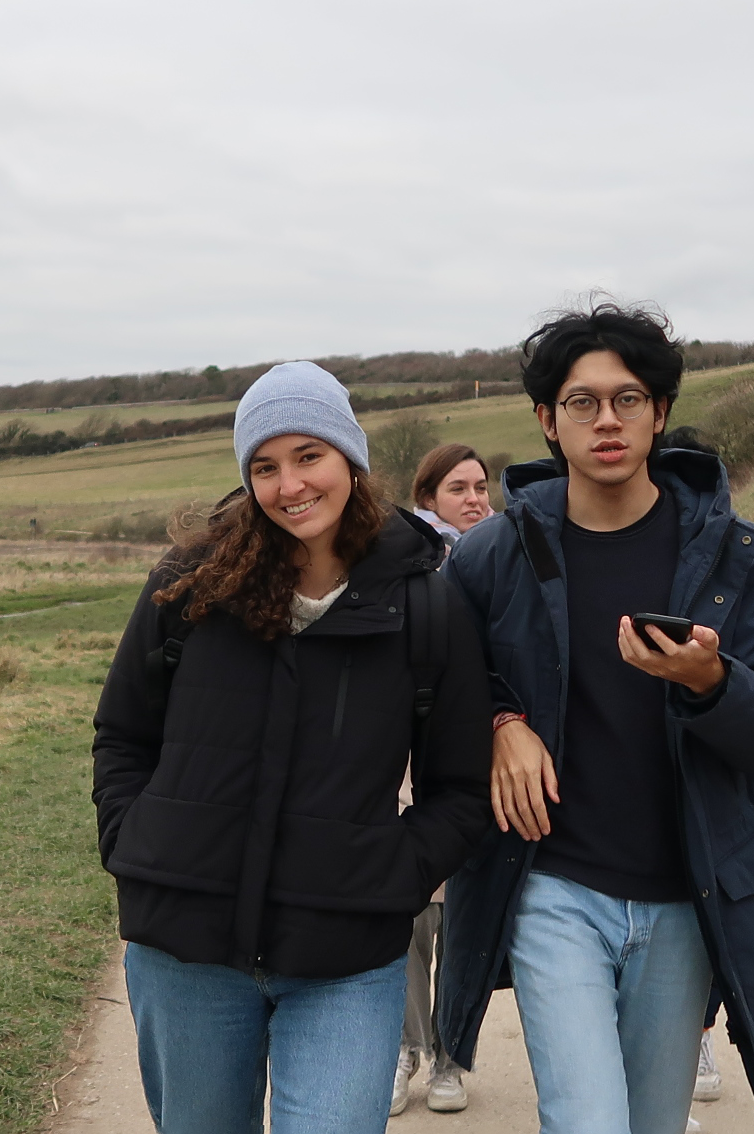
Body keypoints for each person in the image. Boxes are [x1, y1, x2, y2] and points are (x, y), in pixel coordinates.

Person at [439, 302, 754, 1134]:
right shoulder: (490, 556)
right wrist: (500, 722)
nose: (606, 420)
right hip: (552, 887)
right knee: (587, 1123)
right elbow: (435, 685)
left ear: (659, 412)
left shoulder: (743, 558)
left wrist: (713, 681)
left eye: (628, 399)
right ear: (548, 421)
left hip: (687, 896)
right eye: (581, 402)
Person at [90, 361, 493, 1134]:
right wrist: (133, 842)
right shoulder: (190, 584)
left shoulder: (424, 606)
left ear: (351, 459)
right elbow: (122, 736)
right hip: (185, 951)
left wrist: (392, 873)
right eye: (265, 467)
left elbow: (460, 789)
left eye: (309, 456)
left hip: (346, 958)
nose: (289, 485)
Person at [393, 442, 495, 1114]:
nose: (475, 499)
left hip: (480, 749)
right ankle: (403, 1048)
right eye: (458, 488)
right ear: (427, 496)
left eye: (482, 486)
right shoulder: (402, 564)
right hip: (406, 752)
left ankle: (451, 1056)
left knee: (463, 917)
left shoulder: (501, 561)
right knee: (403, 914)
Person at [411, 442, 494, 548]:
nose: (474, 499)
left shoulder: (511, 542)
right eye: (458, 489)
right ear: (429, 500)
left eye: (481, 488)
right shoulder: (415, 555)